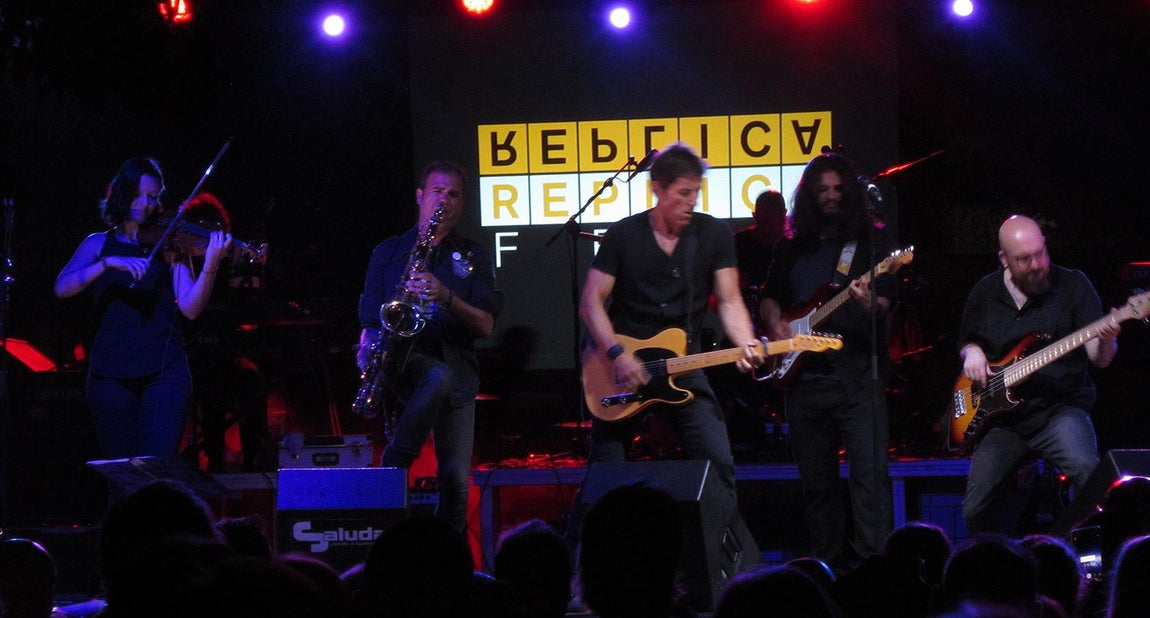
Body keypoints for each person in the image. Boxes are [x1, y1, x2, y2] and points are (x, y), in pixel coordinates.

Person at [575, 143, 765, 540]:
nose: (691, 201)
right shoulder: (624, 235)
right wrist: (616, 353)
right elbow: (591, 303)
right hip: (620, 367)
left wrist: (746, 341)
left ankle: (727, 558)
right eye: (683, 193)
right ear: (657, 189)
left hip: (683, 362)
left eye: (695, 192)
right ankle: (589, 566)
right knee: (606, 470)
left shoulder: (712, 234)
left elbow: (729, 300)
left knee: (717, 457)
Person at [759, 151, 895, 573]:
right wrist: (778, 325)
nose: (832, 197)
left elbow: (887, 304)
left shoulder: (872, 245)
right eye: (823, 190)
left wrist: (868, 302)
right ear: (810, 195)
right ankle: (826, 569)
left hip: (856, 381)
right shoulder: (791, 246)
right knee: (817, 485)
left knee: (869, 481)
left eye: (839, 189)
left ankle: (877, 569)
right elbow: (768, 298)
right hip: (803, 383)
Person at [356, 160, 502, 534]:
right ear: (420, 196)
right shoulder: (388, 252)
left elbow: (485, 324)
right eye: (437, 191)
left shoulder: (474, 256)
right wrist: (368, 348)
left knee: (454, 483)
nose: (445, 200)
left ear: (462, 203)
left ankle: (446, 562)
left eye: (453, 194)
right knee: (436, 375)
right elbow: (370, 319)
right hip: (402, 366)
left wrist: (446, 297)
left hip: (457, 375)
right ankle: (396, 467)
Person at [54, 157, 232, 459]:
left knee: (157, 469)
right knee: (121, 475)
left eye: (153, 196)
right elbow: (62, 288)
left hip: (164, 373)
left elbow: (190, 308)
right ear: (122, 193)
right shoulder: (97, 244)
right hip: (109, 377)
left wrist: (211, 264)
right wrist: (107, 263)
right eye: (139, 194)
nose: (146, 203)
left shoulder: (170, 246)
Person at [957, 214, 1119, 535]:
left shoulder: (1074, 286)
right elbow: (965, 341)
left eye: (1041, 253)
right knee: (975, 506)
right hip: (1002, 420)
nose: (1036, 264)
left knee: (1090, 473)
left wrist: (1107, 338)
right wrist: (971, 352)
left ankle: (1066, 546)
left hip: (1059, 410)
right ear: (1004, 260)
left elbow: (1099, 360)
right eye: (1023, 259)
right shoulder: (985, 292)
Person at [734, 188, 788, 318]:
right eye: (767, 222)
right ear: (755, 216)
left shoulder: (793, 246)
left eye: (778, 222)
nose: (772, 229)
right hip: (745, 319)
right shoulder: (738, 244)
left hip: (786, 318)